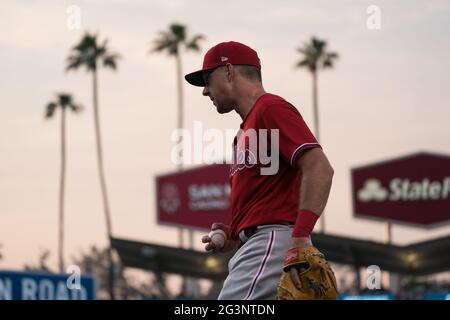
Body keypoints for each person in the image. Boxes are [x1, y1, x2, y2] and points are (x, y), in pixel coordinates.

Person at [185, 41, 336, 300]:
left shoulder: (270, 109)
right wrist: (233, 234)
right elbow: (268, 197)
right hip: (259, 243)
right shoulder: (244, 131)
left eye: (208, 79)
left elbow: (319, 167)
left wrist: (300, 237)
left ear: (229, 71)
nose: (205, 91)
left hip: (273, 241)